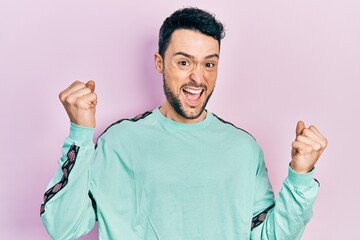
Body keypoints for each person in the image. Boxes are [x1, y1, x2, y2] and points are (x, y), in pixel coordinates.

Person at [40, 7, 327, 240]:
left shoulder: (243, 148)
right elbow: (63, 227)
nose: (198, 79)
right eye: (184, 62)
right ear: (159, 62)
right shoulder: (119, 142)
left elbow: (269, 237)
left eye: (209, 64)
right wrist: (80, 133)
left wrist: (300, 176)